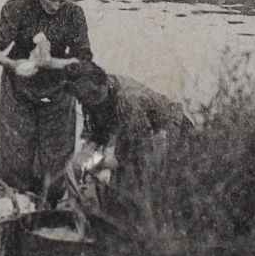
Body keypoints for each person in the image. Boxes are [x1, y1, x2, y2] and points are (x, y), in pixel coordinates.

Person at [0, 0, 93, 192]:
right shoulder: (18, 8)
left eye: (62, 1)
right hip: (19, 90)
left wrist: (52, 63)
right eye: (51, 0)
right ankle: (17, 203)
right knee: (16, 155)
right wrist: (13, 64)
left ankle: (52, 207)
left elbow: (84, 61)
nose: (56, 6)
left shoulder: (74, 14)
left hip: (59, 89)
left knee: (58, 156)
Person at [55, 60, 192, 207]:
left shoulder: (129, 100)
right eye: (82, 99)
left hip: (172, 134)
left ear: (104, 84)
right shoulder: (91, 93)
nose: (88, 103)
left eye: (91, 97)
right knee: (114, 192)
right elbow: (95, 133)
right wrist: (84, 157)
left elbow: (138, 154)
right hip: (138, 137)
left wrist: (97, 165)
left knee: (146, 193)